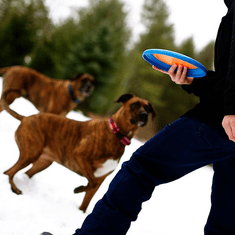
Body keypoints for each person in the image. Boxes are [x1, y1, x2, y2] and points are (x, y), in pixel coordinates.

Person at [42, 0, 235, 234]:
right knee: (226, 214)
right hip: (226, 119)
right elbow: (226, 82)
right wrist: (194, 80)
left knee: (142, 168)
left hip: (221, 119)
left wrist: (231, 106)